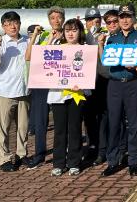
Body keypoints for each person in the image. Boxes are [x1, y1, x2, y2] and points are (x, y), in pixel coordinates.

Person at [99, 3, 137, 177]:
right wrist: (101, 45)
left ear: (134, 18)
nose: (125, 20)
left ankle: (133, 161)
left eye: (128, 17)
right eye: (122, 17)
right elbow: (106, 61)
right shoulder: (112, 38)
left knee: (134, 123)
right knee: (114, 123)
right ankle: (112, 161)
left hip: (133, 83)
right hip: (114, 84)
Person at [36, 19, 89, 176]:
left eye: (74, 30)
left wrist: (81, 83)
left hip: (77, 94)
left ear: (80, 32)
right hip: (58, 94)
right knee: (59, 130)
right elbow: (42, 60)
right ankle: (58, 163)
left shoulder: (86, 49)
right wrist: (51, 39)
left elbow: (89, 73)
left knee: (75, 129)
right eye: (67, 30)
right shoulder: (57, 48)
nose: (71, 33)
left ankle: (74, 162)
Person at [0, 11, 30, 172]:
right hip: (5, 92)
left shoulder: (27, 41)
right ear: (3, 26)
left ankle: (21, 154)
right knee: (3, 128)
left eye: (15, 22)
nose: (12, 26)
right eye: (8, 24)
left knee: (23, 127)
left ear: (20, 24)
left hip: (24, 91)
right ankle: (4, 158)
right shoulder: (0, 42)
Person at [25, 6, 65, 169]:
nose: (56, 20)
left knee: (61, 121)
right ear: (49, 20)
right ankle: (39, 154)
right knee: (40, 121)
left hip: (60, 83)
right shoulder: (42, 36)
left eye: (59, 17)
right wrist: (46, 39)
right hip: (41, 82)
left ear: (63, 19)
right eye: (52, 18)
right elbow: (29, 57)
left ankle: (62, 153)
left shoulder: (69, 34)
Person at [90, 9, 119, 166]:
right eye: (109, 22)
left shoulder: (122, 38)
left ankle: (118, 150)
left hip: (117, 81)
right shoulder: (99, 37)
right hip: (101, 82)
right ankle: (102, 151)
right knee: (102, 118)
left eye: (115, 21)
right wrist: (99, 43)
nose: (112, 24)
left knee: (117, 118)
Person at [81, 6, 106, 164]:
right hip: (86, 83)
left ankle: (102, 149)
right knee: (88, 117)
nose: (93, 23)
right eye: (90, 20)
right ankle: (91, 147)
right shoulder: (82, 38)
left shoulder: (106, 36)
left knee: (102, 117)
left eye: (96, 20)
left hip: (102, 81)